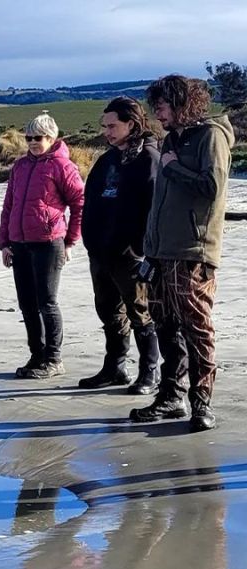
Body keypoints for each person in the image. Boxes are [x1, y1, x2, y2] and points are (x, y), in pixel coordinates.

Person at [130, 75, 235, 432]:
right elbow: (160, 201)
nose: (156, 113)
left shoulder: (211, 137)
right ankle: (170, 396)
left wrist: (172, 166)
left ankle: (201, 403)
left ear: (181, 102)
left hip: (193, 252)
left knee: (197, 329)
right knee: (165, 326)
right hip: (160, 252)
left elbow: (212, 188)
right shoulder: (172, 139)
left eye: (161, 105)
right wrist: (149, 250)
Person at [78, 96, 161, 393]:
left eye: (113, 126)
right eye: (104, 126)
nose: (107, 131)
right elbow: (91, 202)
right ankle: (114, 367)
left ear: (132, 123)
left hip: (132, 254)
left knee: (140, 311)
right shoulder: (106, 160)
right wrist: (90, 240)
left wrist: (141, 249)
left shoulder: (150, 158)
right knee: (108, 311)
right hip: (101, 252)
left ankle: (150, 371)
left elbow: (154, 208)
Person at [0, 111, 85, 378]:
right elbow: (9, 206)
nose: (33, 142)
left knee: (47, 302)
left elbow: (79, 204)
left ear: (52, 137)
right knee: (27, 303)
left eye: (39, 137)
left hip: (49, 243)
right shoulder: (21, 166)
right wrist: (4, 242)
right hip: (19, 243)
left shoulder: (63, 166)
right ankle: (36, 355)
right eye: (29, 137)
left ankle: (54, 359)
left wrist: (70, 241)